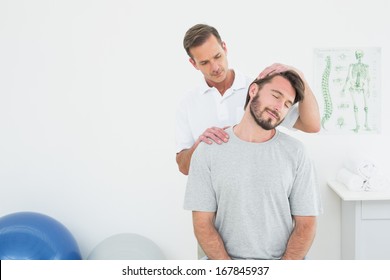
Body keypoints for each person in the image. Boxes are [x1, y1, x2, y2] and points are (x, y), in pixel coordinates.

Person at [183, 70, 322, 260]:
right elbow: (202, 224)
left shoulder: (296, 153)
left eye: (288, 104)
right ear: (253, 90)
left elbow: (306, 224)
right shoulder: (209, 150)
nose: (279, 106)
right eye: (275, 95)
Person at [176, 24, 321, 175]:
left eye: (217, 56)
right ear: (193, 63)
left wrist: (300, 76)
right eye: (204, 62)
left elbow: (312, 126)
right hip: (212, 193)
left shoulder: (257, 90)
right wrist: (199, 145)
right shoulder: (187, 103)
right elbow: (184, 167)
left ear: (224, 48)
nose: (215, 67)